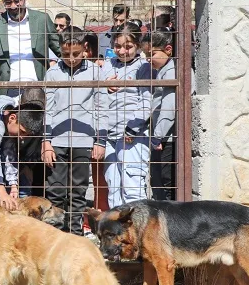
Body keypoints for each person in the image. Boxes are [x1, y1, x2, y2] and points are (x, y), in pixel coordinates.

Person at [42, 27, 106, 238]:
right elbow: (48, 109)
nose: (70, 59)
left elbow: (101, 107)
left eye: (76, 54)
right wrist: (46, 141)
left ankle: (75, 235)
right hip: (58, 140)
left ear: (85, 49)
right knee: (56, 190)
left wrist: (100, 140)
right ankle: (54, 235)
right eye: (65, 54)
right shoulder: (52, 73)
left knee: (78, 191)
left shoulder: (95, 73)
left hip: (83, 139)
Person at [101, 22, 153, 208]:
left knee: (132, 188)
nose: (122, 51)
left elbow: (146, 102)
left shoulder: (144, 67)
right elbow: (97, 98)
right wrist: (104, 86)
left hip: (132, 137)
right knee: (113, 186)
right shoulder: (107, 66)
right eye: (117, 46)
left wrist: (132, 129)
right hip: (109, 136)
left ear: (137, 46)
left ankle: (137, 232)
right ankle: (116, 232)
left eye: (128, 47)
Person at [0, 0, 61, 95]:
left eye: (17, 1)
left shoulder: (42, 20)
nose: (13, 6)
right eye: (8, 2)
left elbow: (61, 49)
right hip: (7, 92)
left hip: (38, 90)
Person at [148, 29, 177, 200]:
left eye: (152, 53)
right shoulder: (164, 69)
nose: (148, 59)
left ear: (168, 49)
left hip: (167, 138)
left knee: (166, 183)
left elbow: (169, 106)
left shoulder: (172, 71)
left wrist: (157, 136)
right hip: (162, 136)